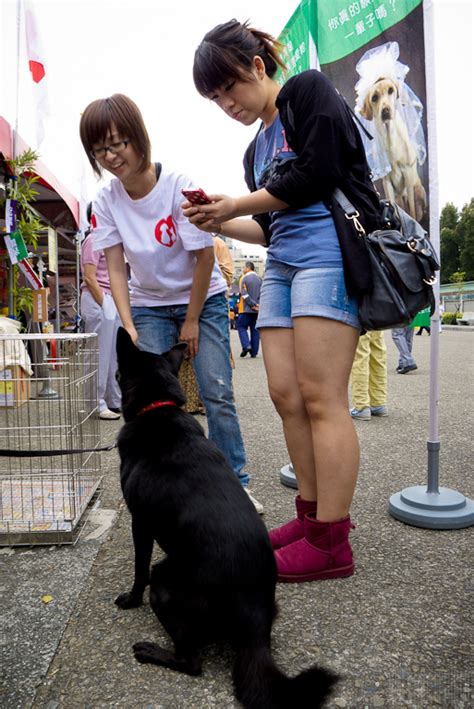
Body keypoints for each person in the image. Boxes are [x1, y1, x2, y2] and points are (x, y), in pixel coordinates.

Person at [184, 20, 381, 582]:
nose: (227, 104)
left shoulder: (308, 91)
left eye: (229, 89)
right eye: (215, 99)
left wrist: (232, 204)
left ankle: (331, 542)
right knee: (285, 395)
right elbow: (270, 227)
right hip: (283, 265)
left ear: (257, 66)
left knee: (322, 397)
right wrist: (222, 218)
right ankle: (310, 517)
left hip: (327, 257)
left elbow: (319, 173)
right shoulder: (255, 149)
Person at [79, 93, 263, 514]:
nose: (110, 156)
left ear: (138, 138)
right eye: (99, 149)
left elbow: (203, 257)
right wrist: (127, 322)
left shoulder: (178, 185)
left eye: (117, 143)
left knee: (216, 393)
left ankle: (235, 483)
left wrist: (193, 319)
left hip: (203, 297)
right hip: (147, 304)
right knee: (147, 400)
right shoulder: (107, 201)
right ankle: (161, 482)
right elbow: (117, 268)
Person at [80, 207, 121, 420]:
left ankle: (113, 399)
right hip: (98, 298)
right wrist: (105, 303)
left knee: (113, 354)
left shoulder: (108, 239)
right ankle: (95, 403)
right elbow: (89, 277)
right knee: (98, 354)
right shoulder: (93, 238)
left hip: (110, 299)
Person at [350, 331, 388, 420]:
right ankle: (378, 403)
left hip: (358, 318)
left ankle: (361, 406)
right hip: (378, 318)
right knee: (378, 355)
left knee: (360, 356)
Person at [237, 261, 262, 358]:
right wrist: (258, 305)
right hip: (257, 310)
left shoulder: (244, 278)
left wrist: (252, 304)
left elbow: (244, 294)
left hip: (246, 309)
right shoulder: (260, 279)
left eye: (244, 267)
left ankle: (246, 345)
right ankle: (254, 352)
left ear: (248, 268)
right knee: (255, 330)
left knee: (241, 326)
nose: (243, 269)